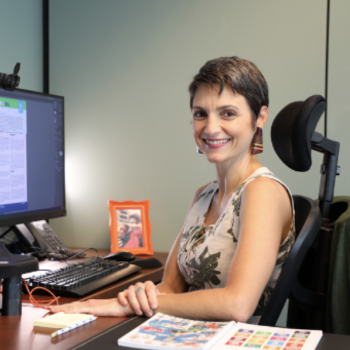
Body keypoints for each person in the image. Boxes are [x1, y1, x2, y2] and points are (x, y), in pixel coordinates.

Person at [50, 56, 295, 324]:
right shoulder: (204, 195)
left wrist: (126, 307)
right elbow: (170, 288)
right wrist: (131, 298)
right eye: (200, 114)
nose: (210, 128)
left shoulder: (263, 192)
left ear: (259, 117)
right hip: (187, 335)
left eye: (228, 113)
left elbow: (237, 305)